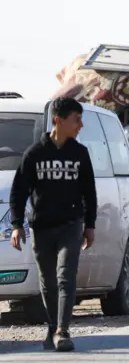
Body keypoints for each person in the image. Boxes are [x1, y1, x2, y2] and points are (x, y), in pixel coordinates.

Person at [9, 97, 97, 352]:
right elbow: (19, 191)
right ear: (59, 120)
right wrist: (17, 225)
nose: (80, 125)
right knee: (47, 281)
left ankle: (63, 330)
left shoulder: (79, 153)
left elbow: (89, 192)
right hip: (42, 228)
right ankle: (52, 327)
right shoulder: (35, 154)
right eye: (76, 120)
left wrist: (89, 225)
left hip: (71, 224)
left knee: (65, 276)